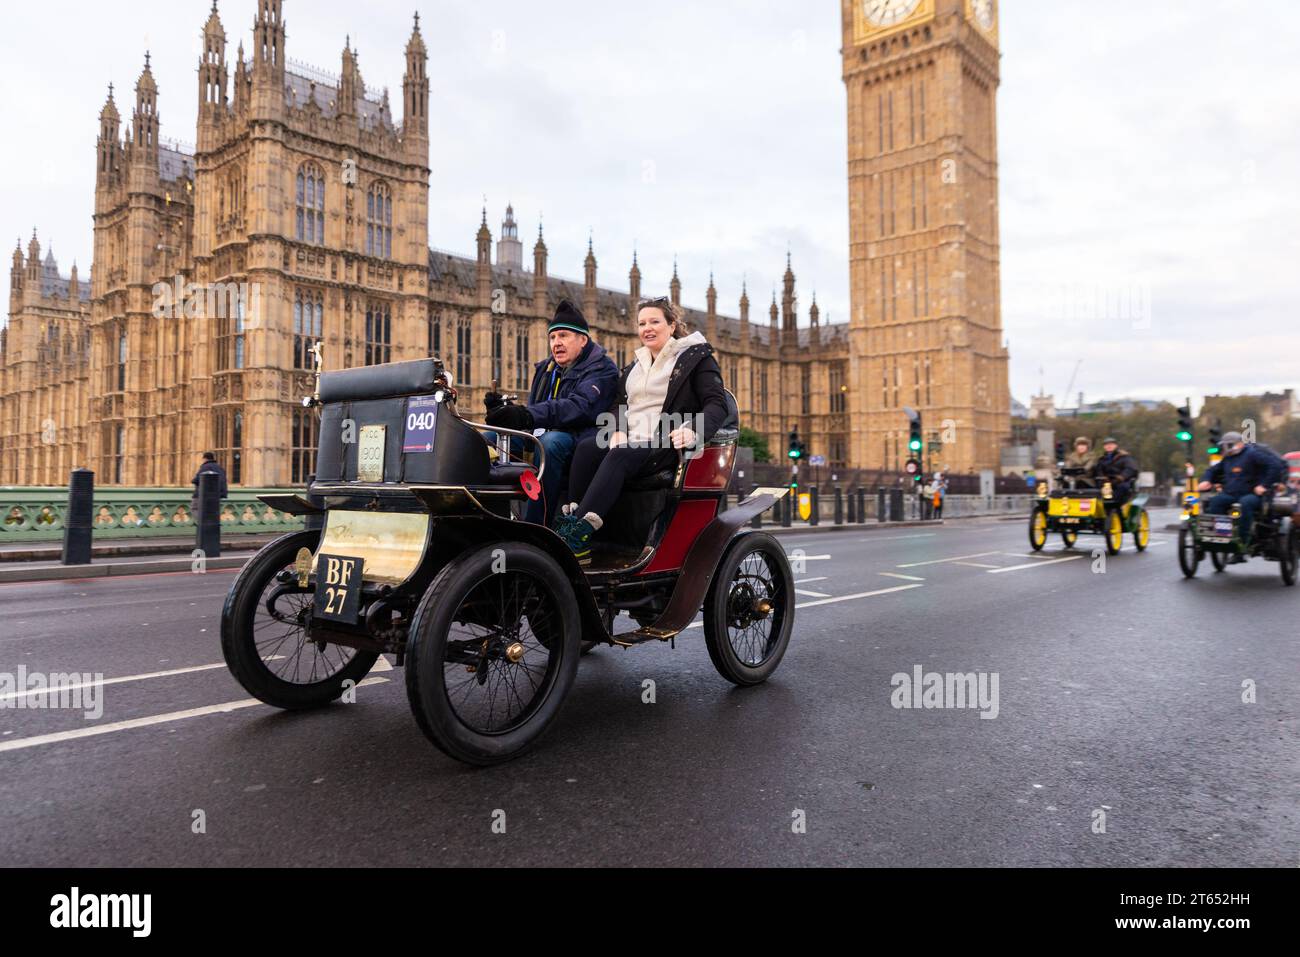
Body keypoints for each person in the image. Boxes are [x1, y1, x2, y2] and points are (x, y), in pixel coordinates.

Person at [554, 296, 730, 563]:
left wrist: (694, 430)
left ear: (672, 325)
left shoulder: (696, 358)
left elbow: (717, 404)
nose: (647, 328)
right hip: (632, 439)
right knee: (588, 447)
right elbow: (618, 404)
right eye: (641, 323)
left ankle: (579, 534)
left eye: (654, 321)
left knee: (620, 454)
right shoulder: (635, 366)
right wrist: (617, 428)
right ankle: (575, 524)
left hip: (665, 442)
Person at [483, 299, 619, 525]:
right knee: (488, 440)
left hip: (581, 437)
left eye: (564, 335)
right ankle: (493, 518)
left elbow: (580, 407)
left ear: (583, 340)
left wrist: (526, 415)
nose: (557, 343)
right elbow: (535, 408)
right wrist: (504, 411)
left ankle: (537, 526)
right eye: (553, 337)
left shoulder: (601, 368)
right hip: (540, 434)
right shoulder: (546, 369)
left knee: (550, 443)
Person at [1197, 430, 1288, 552]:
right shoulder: (1227, 459)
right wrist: (1206, 480)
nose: (1225, 448)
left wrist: (1264, 486)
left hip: (1252, 495)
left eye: (1228, 445)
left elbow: (1274, 466)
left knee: (1245, 503)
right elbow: (1212, 470)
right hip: (1231, 494)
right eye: (1224, 445)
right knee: (1216, 501)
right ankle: (1220, 535)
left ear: (1240, 444)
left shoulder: (1253, 454)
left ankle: (1243, 541)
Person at [1091, 436, 1138, 505]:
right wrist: (1102, 478)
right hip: (1106, 482)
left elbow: (1130, 469)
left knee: (1122, 488)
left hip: (1121, 481)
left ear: (1115, 445)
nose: (1109, 446)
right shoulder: (1101, 460)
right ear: (1104, 447)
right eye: (1107, 445)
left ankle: (1117, 506)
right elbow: (1098, 471)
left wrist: (1120, 478)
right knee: (1094, 489)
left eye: (1111, 444)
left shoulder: (1124, 457)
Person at [190, 451, 228, 516]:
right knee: (212, 513)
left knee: (194, 508)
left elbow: (197, 479)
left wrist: (193, 481)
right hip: (217, 494)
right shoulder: (220, 468)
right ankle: (210, 525)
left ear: (205, 458)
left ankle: (202, 524)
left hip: (203, 494)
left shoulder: (205, 467)